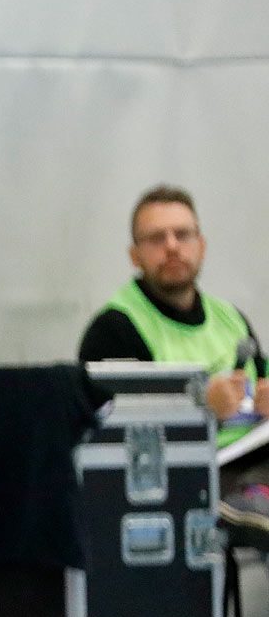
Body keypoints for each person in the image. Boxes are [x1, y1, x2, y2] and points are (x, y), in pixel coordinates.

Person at [78, 185, 269, 530]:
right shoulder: (115, 329)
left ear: (201, 245)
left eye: (182, 234)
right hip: (182, 482)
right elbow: (110, 436)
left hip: (254, 464)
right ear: (135, 256)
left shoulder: (230, 318)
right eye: (155, 238)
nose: (171, 246)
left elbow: (263, 380)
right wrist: (198, 408)